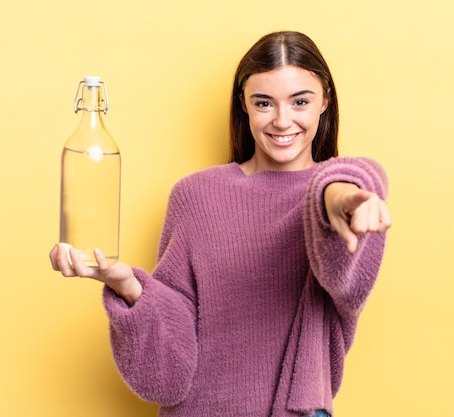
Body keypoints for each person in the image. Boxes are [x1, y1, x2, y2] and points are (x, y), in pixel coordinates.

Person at [49, 31, 392, 417]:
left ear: (325, 100)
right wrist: (127, 285)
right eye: (264, 102)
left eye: (300, 102)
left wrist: (342, 200)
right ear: (243, 105)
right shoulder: (195, 196)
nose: (282, 121)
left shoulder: (347, 193)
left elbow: (337, 196)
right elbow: (170, 367)